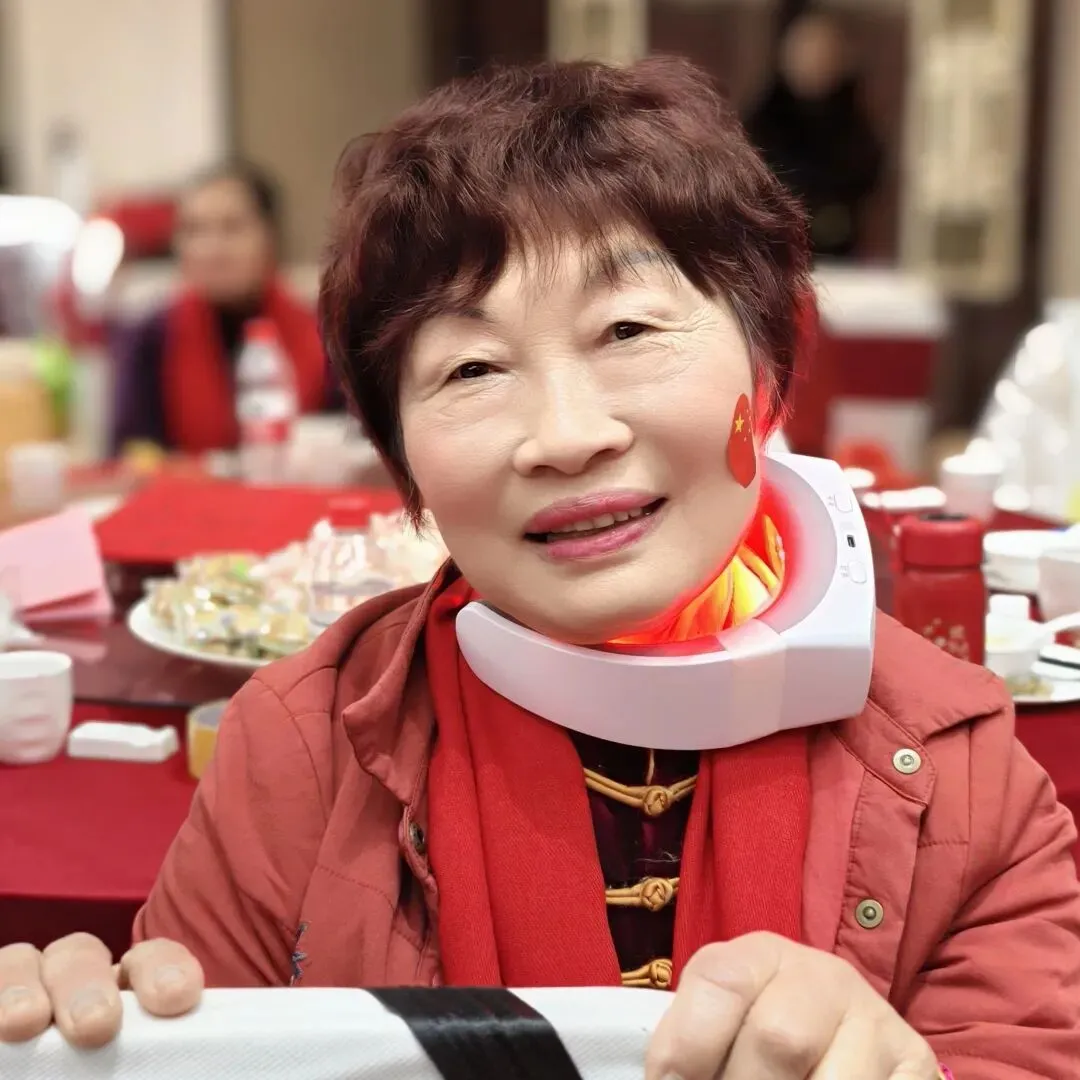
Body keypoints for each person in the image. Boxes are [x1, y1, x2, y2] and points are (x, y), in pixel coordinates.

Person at [3, 58, 1079, 1079]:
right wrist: (86, 1043)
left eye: (628, 329)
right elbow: (198, 1039)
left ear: (766, 369)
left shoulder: (960, 770)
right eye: (471, 368)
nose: (564, 437)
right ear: (401, 457)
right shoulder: (298, 746)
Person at [109, 161, 330, 456]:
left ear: (271, 236)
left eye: (232, 227)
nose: (212, 250)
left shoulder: (323, 333)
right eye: (194, 231)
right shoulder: (150, 337)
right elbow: (132, 454)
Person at [746, 8, 882, 258]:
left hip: (841, 262)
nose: (815, 62)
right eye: (806, 52)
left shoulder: (858, 133)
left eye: (825, 53)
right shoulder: (757, 129)